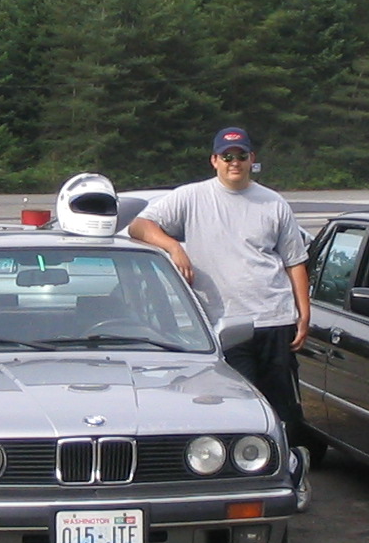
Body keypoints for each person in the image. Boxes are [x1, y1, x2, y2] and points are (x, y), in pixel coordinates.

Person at [129, 126, 311, 442]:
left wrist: (303, 314)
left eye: (241, 155)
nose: (234, 162)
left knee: (283, 413)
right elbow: (138, 226)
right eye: (227, 156)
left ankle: (291, 474)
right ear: (214, 160)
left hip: (275, 320)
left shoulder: (273, 203)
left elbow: (294, 261)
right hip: (224, 326)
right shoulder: (190, 197)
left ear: (251, 159)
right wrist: (174, 247)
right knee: (237, 412)